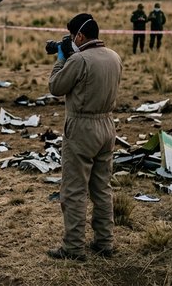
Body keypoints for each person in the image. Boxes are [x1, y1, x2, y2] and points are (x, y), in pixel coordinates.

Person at [47, 13, 122, 261]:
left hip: (81, 127)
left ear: (79, 35)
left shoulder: (80, 60)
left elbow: (56, 87)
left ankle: (74, 247)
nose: (71, 41)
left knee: (75, 189)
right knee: (102, 188)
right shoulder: (114, 57)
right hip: (107, 125)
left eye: (71, 36)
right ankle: (104, 242)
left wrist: (61, 59)